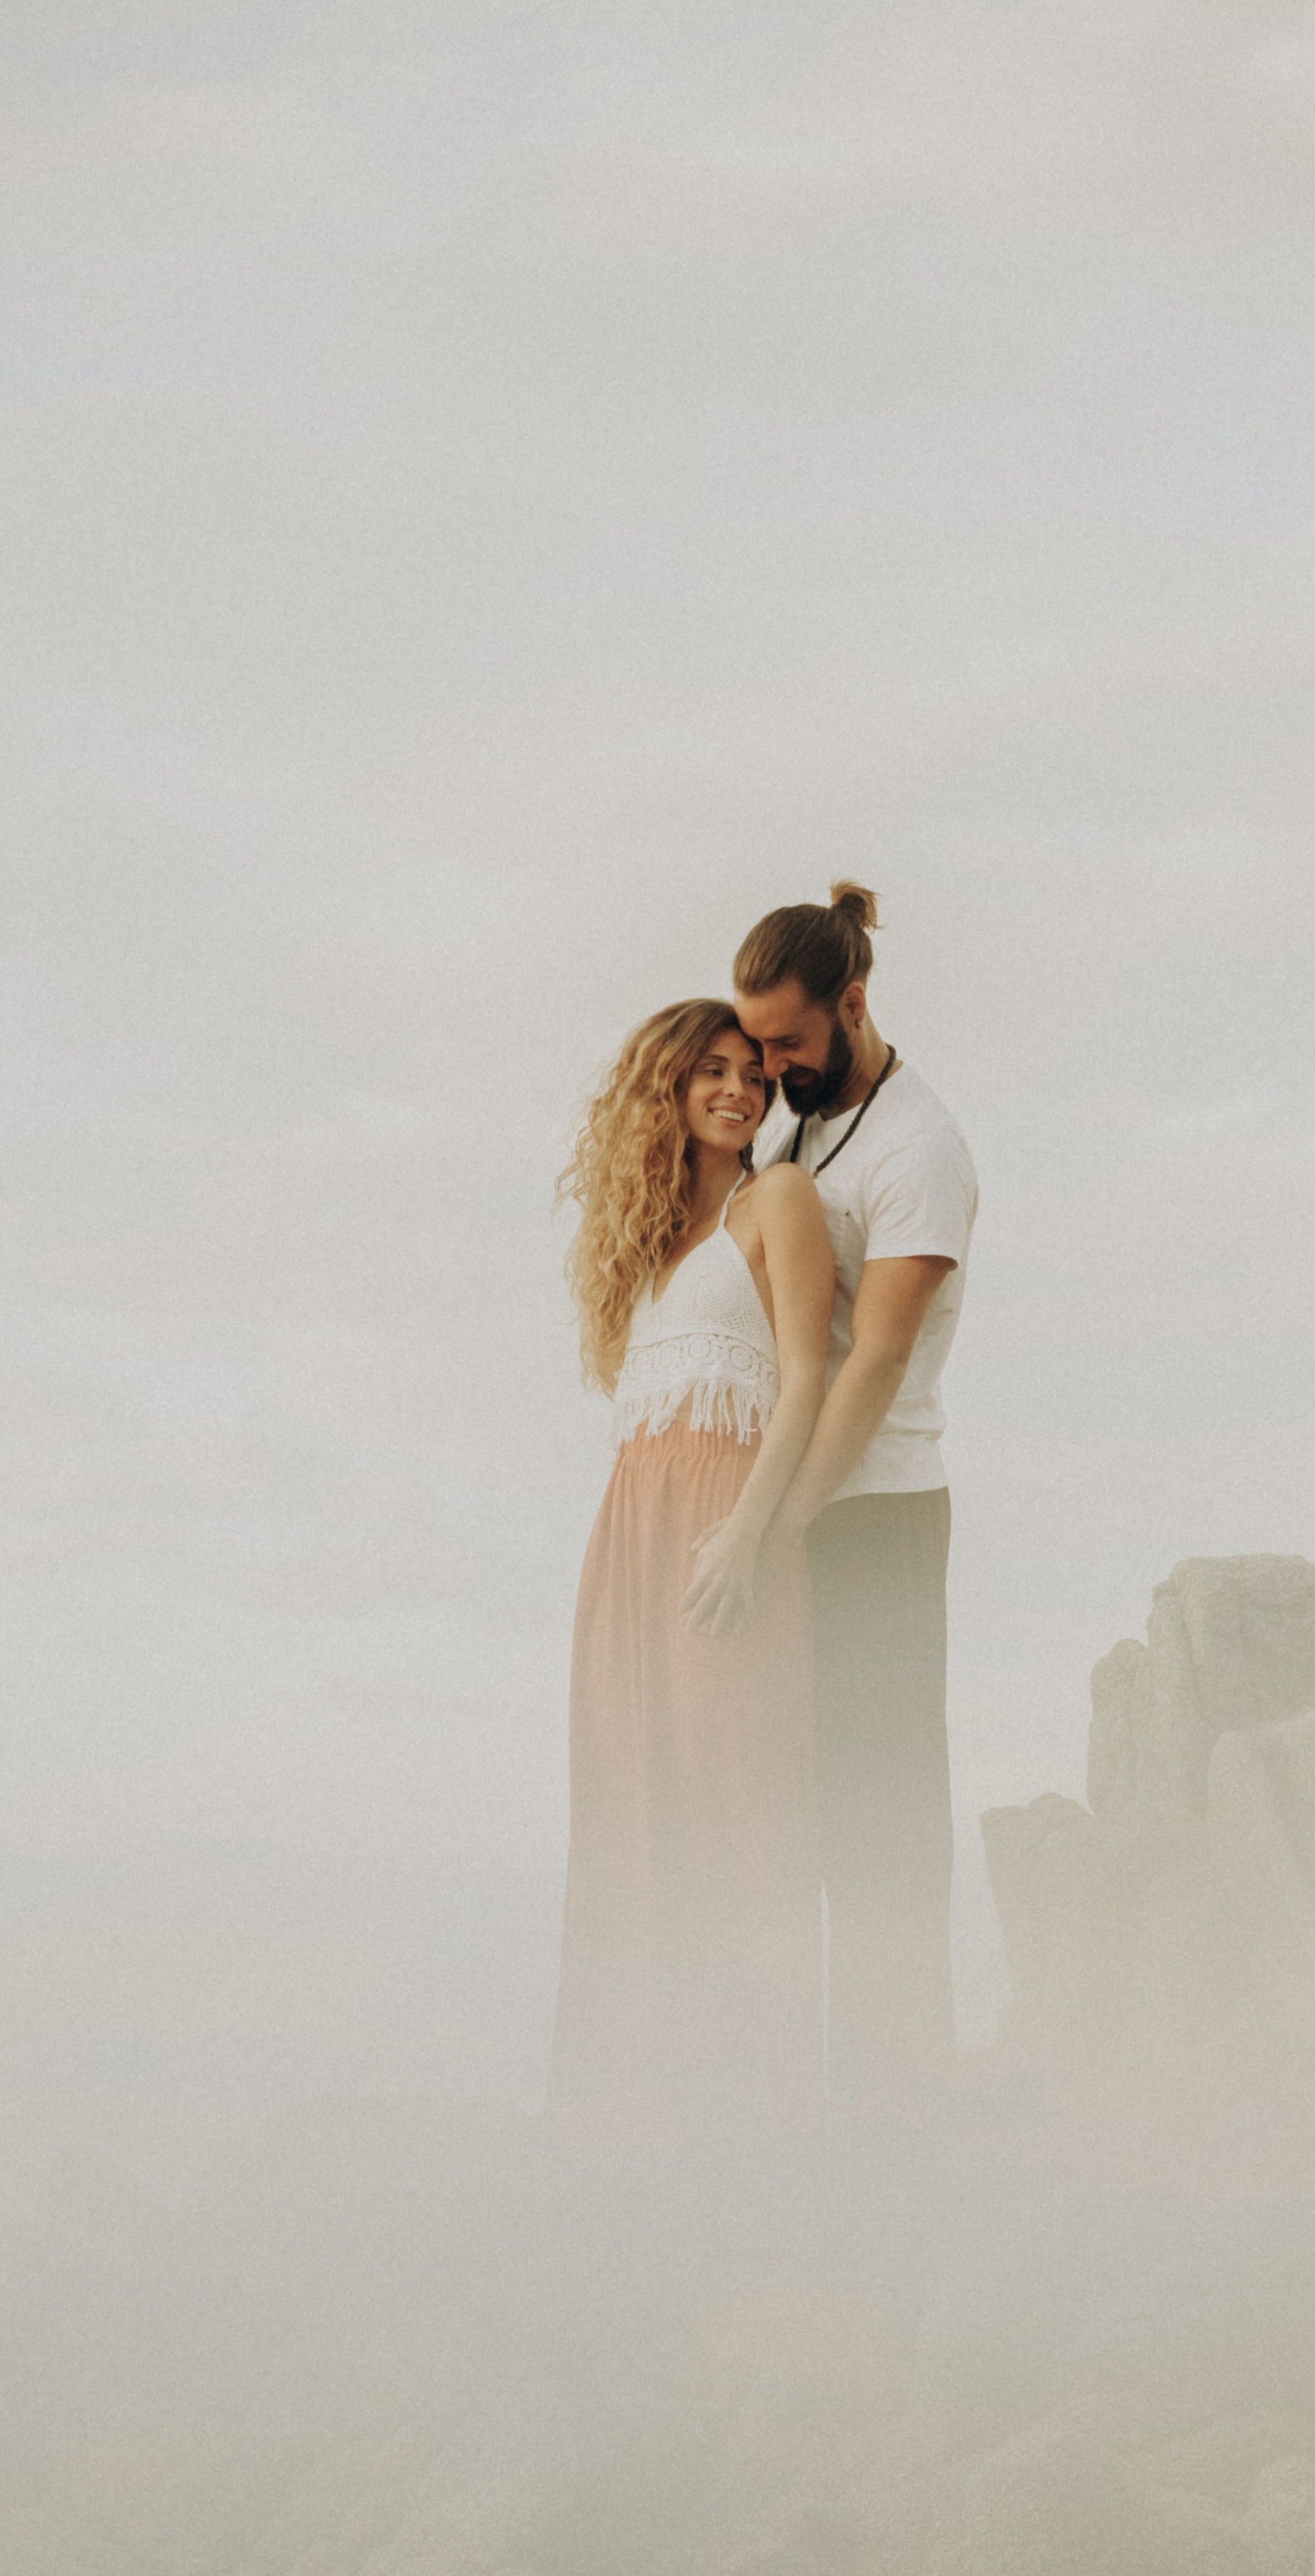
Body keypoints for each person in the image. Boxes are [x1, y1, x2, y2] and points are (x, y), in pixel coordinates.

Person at [548, 998, 835, 2151]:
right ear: (662, 1088)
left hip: (728, 1532)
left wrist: (751, 1535)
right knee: (632, 1809)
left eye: (749, 1074)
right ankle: (631, 2112)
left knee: (739, 1800)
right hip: (629, 1542)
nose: (736, 1090)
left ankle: (752, 2121)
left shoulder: (780, 1202)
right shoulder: (648, 1245)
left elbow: (810, 1381)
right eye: (709, 1071)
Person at [733, 882, 978, 2125]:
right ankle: (823, 2082)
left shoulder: (917, 1150)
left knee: (885, 1811)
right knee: (802, 1799)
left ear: (855, 1003)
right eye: (757, 1043)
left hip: (876, 1515)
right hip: (797, 1505)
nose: (771, 1066)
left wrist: (787, 1529)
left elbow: (873, 1365)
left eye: (789, 1042)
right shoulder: (797, 1121)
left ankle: (909, 2090)